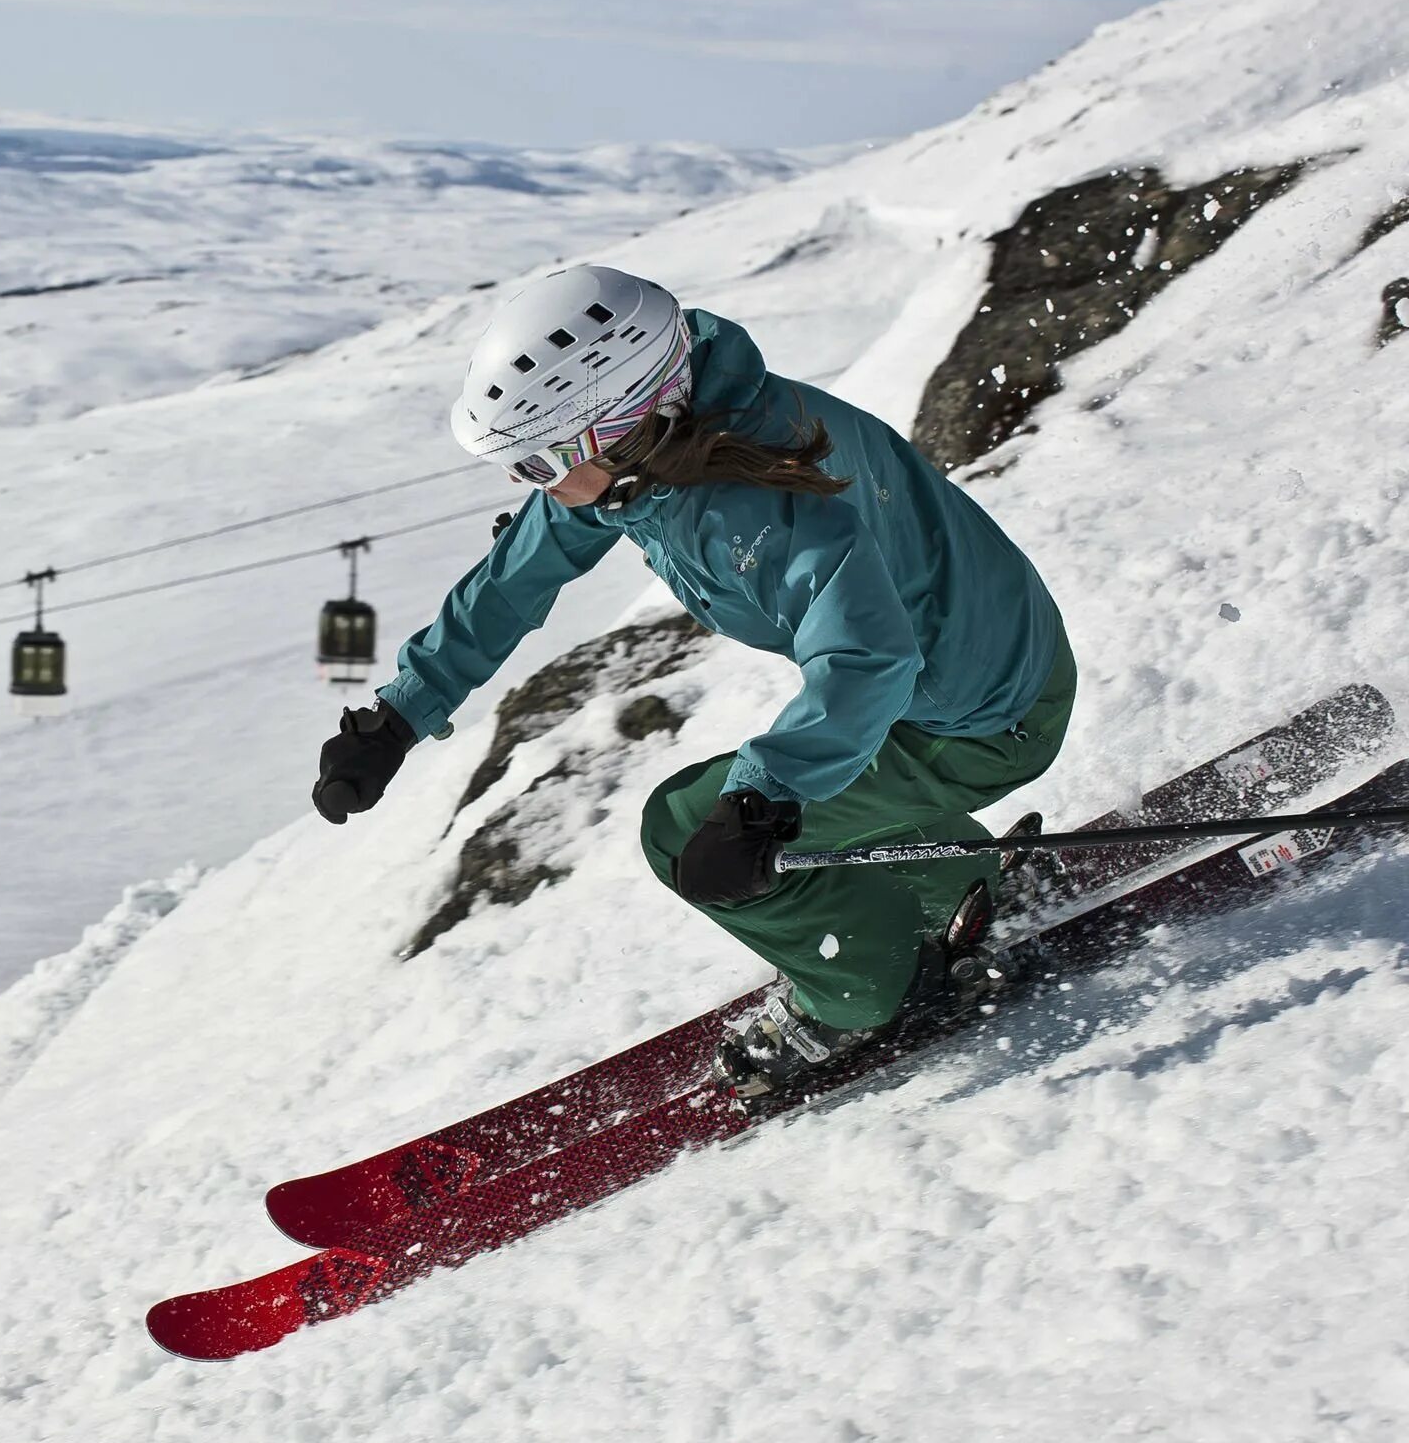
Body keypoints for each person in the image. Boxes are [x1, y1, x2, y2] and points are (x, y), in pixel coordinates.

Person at [311, 264, 1074, 1095]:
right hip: (965, 674)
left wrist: (764, 801)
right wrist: (402, 714)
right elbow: (513, 579)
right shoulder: (670, 447)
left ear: (615, 425)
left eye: (535, 462)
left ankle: (864, 992)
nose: (526, 481)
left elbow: (866, 661)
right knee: (742, 816)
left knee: (686, 833)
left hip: (979, 714)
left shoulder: (749, 501)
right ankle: (957, 886)